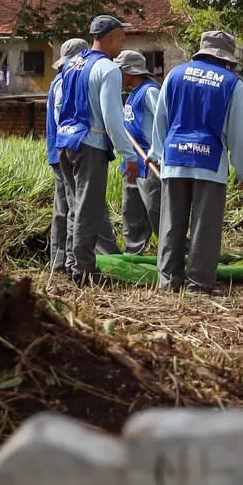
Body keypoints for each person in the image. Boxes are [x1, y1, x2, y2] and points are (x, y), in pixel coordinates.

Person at [150, 30, 243, 295]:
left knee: (171, 223)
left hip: (175, 156)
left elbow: (161, 117)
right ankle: (198, 284)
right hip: (209, 161)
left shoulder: (175, 74)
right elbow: (237, 133)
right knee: (205, 225)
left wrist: (158, 152)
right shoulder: (232, 83)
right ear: (226, 58)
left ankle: (169, 281)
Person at [53, 15, 140, 286]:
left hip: (65, 142)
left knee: (74, 207)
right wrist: (129, 155)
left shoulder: (71, 64)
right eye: (122, 38)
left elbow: (60, 106)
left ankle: (72, 264)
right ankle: (84, 271)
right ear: (112, 37)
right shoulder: (108, 69)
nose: (123, 43)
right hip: (89, 144)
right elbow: (112, 118)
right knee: (88, 209)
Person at [47, 38, 119, 274]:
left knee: (71, 208)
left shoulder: (62, 78)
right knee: (77, 208)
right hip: (74, 146)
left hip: (63, 147)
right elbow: (63, 116)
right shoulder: (64, 81)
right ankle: (76, 266)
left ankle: (66, 264)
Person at [115, 50, 162, 256]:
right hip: (132, 161)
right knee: (131, 210)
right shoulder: (132, 94)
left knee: (155, 209)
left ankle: (176, 251)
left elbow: (164, 121)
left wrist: (155, 152)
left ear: (129, 71)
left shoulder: (150, 91)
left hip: (150, 161)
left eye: (119, 71)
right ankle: (133, 252)